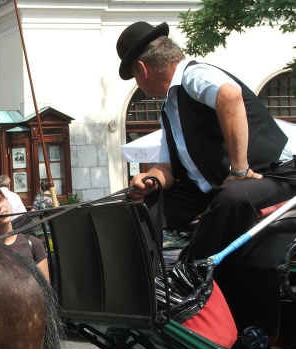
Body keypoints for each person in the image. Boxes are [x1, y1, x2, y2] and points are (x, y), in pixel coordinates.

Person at [116, 21, 296, 261]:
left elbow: (230, 95)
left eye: (134, 76)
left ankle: (192, 272)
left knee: (233, 196)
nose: (137, 82)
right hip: (214, 187)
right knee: (141, 207)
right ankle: (145, 282)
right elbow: (168, 168)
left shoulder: (193, 75)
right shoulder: (169, 108)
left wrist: (240, 169)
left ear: (142, 68)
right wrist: (150, 179)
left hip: (275, 174)